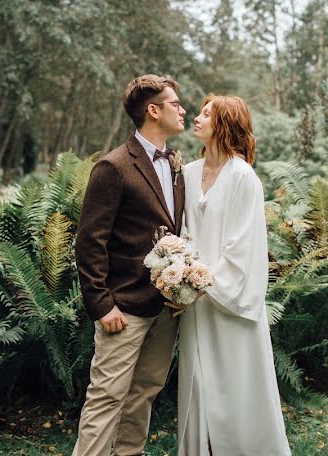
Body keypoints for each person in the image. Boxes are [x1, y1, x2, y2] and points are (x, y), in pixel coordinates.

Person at [73, 74, 187, 456]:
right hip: (123, 308)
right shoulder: (114, 166)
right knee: (106, 398)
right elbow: (91, 240)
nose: (182, 109)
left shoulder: (174, 164)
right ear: (153, 111)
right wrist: (101, 303)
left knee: (144, 394)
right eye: (175, 103)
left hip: (165, 307)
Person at [176, 95, 291, 456]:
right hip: (193, 305)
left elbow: (242, 249)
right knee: (198, 384)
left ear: (225, 123)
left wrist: (200, 285)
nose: (196, 118)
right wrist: (176, 281)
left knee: (236, 390)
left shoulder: (244, 178)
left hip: (230, 305)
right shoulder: (188, 173)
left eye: (207, 114)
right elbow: (180, 235)